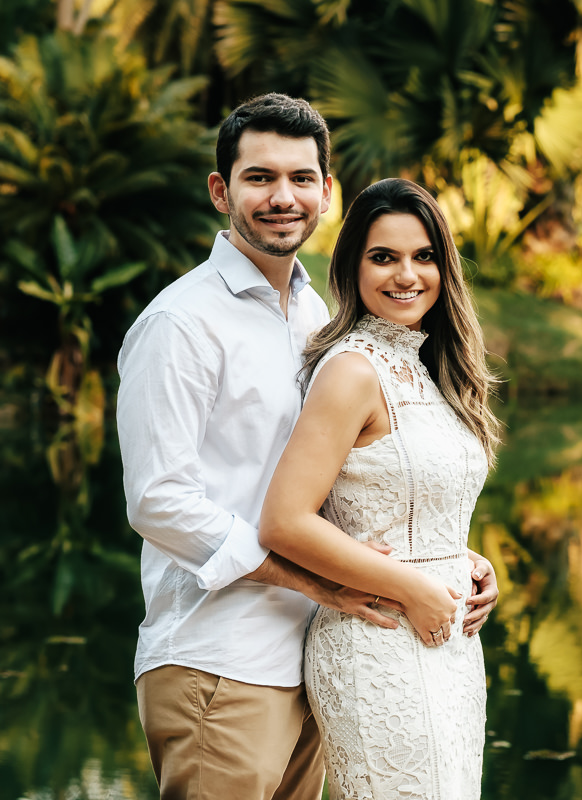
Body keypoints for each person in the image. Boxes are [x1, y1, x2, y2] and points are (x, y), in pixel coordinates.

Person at [116, 95, 498, 800]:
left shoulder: (315, 317)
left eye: (301, 178)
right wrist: (310, 580)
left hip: (321, 654)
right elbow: (157, 500)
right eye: (259, 177)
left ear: (328, 191)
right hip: (220, 658)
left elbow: (349, 479)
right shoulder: (179, 322)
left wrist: (446, 558)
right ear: (220, 190)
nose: (282, 197)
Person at [258, 178, 501, 799]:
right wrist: (414, 586)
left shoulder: (430, 366)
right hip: (381, 640)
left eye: (423, 256)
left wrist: (467, 563)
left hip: (449, 647)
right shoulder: (350, 370)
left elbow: (415, 500)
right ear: (351, 267)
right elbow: (285, 520)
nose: (407, 275)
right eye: (383, 257)